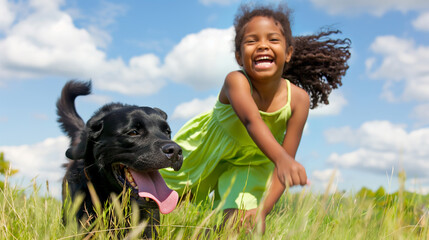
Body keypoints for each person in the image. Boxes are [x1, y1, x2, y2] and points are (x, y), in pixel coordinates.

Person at [160, 3, 351, 233]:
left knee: (239, 225)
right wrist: (281, 158)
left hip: (251, 164)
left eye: (273, 40)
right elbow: (251, 121)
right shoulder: (235, 81)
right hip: (207, 148)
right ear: (239, 57)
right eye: (252, 41)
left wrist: (262, 210)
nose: (262, 45)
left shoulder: (298, 100)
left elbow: (284, 167)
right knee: (161, 201)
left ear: (288, 53)